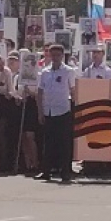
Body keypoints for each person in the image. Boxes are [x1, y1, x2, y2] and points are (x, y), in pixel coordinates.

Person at [35, 44, 75, 182]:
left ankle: (65, 172)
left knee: (64, 143)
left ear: (62, 56)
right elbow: (40, 92)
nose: (55, 58)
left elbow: (73, 90)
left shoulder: (69, 71)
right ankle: (46, 171)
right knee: (48, 143)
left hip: (63, 110)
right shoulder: (44, 72)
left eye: (58, 55)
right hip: (49, 110)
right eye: (53, 55)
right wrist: (40, 112)